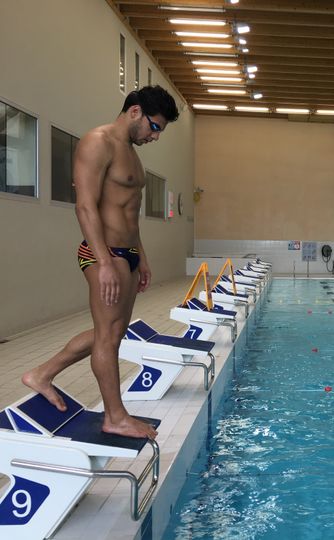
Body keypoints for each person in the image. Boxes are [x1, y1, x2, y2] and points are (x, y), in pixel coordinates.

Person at [22, 86, 179, 439]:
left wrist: (143, 256)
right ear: (135, 111)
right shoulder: (99, 141)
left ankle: (43, 374)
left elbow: (130, 212)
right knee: (109, 337)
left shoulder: (132, 154)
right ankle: (115, 416)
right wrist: (105, 261)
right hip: (103, 253)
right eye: (155, 127)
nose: (155, 136)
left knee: (111, 333)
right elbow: (85, 206)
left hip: (128, 254)